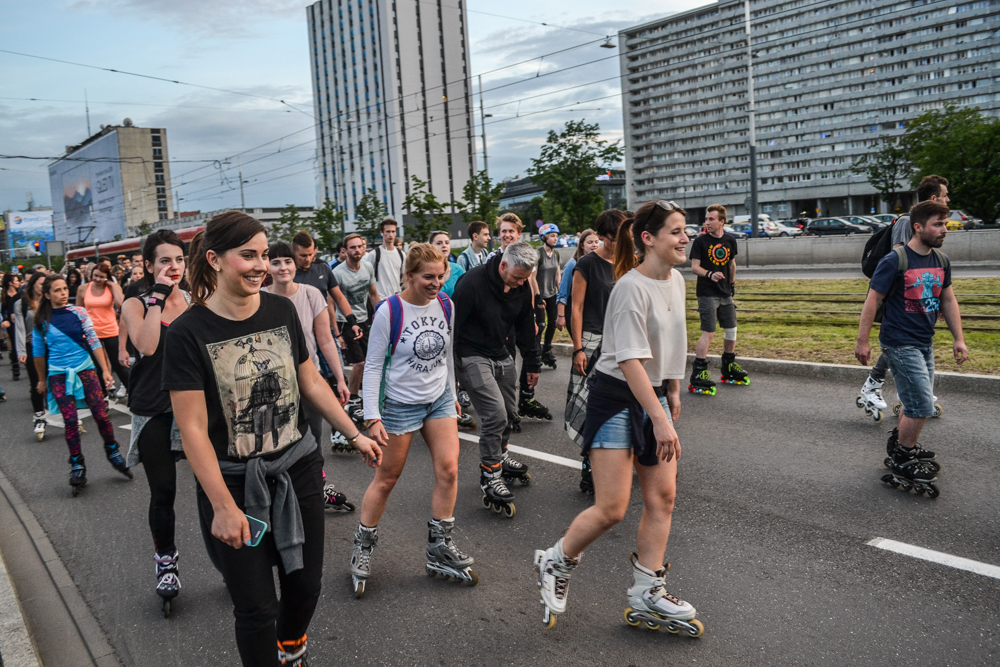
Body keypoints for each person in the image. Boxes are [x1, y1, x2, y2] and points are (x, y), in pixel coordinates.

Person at [163, 211, 381, 667]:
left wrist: (354, 433)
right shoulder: (188, 333)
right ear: (215, 259)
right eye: (248, 255)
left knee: (305, 587)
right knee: (257, 607)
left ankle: (291, 649)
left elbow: (311, 383)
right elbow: (193, 429)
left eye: (264, 254)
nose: (261, 265)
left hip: (298, 468)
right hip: (235, 484)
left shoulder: (280, 310)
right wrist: (223, 506)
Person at [533, 200, 703, 637]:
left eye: (687, 230)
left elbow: (673, 341)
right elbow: (628, 360)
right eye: (677, 231)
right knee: (611, 508)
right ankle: (557, 559)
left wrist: (673, 388)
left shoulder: (677, 283)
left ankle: (648, 590)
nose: (686, 238)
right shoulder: (630, 287)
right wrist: (660, 418)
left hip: (651, 395)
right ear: (648, 239)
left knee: (662, 497)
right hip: (614, 396)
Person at [348, 243, 475, 596]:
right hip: (400, 405)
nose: (436, 284)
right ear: (409, 275)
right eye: (427, 277)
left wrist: (451, 393)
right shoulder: (390, 310)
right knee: (387, 479)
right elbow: (373, 365)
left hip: (438, 401)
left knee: (449, 470)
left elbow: (447, 355)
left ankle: (439, 547)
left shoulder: (446, 306)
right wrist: (372, 415)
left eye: (440, 276)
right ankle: (363, 544)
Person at [855, 200, 967, 498]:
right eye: (937, 224)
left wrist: (959, 338)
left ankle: (900, 442)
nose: (944, 230)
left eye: (945, 224)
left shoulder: (941, 261)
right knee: (920, 404)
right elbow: (873, 300)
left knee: (915, 401)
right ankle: (902, 457)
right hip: (899, 342)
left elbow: (948, 301)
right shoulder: (896, 259)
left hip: (924, 342)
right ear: (917, 227)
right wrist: (862, 341)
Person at [119, 230, 191, 615]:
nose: (173, 267)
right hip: (153, 408)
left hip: (195, 408)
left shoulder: (197, 300)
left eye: (178, 260)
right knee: (164, 492)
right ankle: (166, 562)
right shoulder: (134, 302)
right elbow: (146, 346)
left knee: (218, 485)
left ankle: (231, 560)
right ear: (149, 266)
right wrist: (157, 299)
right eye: (165, 261)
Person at [263, 241, 354, 512]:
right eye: (276, 262)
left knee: (312, 439)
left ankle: (316, 487)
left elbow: (325, 339)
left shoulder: (312, 293)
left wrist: (339, 378)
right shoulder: (260, 296)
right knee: (277, 443)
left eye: (287, 261)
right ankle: (279, 491)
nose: (283, 267)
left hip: (309, 381)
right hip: (274, 386)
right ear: (268, 266)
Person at [452, 241, 540, 518]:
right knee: (495, 415)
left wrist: (532, 362)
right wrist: (452, 379)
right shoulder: (472, 283)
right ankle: (490, 473)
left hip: (500, 352)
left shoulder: (522, 287)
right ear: (503, 265)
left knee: (511, 414)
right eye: (516, 277)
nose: (519, 284)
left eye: (524, 279)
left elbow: (526, 325)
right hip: (471, 354)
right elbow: (452, 328)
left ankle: (500, 455)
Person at [859, 175, 951, 420]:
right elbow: (901, 260)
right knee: (898, 344)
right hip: (898, 296)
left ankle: (901, 393)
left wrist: (933, 296)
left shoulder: (926, 226)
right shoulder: (908, 222)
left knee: (903, 345)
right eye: (944, 195)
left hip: (916, 296)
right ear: (933, 199)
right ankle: (876, 386)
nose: (948, 199)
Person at [33, 275, 132, 495]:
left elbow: (94, 340)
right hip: (58, 375)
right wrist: (41, 379)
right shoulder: (41, 320)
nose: (61, 293)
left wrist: (106, 370)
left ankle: (113, 451)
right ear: (47, 295)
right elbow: (38, 353)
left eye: (64, 289)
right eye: (57, 290)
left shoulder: (79, 312)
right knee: (70, 421)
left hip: (86, 371)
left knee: (100, 415)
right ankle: (77, 465)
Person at [563, 212, 623, 494]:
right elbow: (575, 308)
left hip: (620, 341)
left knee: (617, 402)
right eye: (616, 236)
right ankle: (588, 464)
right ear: (604, 236)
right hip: (590, 340)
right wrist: (577, 349)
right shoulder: (585, 264)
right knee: (587, 404)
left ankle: (616, 460)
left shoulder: (628, 262)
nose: (621, 241)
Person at [689, 204, 749, 395]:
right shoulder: (700, 242)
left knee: (731, 328)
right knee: (709, 332)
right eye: (706, 219)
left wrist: (731, 286)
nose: (707, 222)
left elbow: (732, 264)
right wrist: (709, 274)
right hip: (707, 292)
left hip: (725, 293)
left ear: (721, 221)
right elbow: (694, 267)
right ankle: (699, 371)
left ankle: (729, 365)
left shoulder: (730, 241)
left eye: (711, 219)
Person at [428, 230, 475, 431]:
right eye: (439, 242)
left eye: (447, 242)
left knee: (453, 366)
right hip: (431, 326)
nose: (444, 246)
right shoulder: (427, 271)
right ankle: (433, 407)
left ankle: (452, 407)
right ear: (431, 246)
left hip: (456, 325)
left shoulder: (458, 270)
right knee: (436, 367)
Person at [334, 233, 381, 419]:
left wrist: (382, 315)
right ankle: (353, 400)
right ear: (345, 251)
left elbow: (373, 294)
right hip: (346, 322)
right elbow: (331, 303)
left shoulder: (368, 267)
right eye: (352, 247)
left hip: (364, 319)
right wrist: (337, 333)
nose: (357, 250)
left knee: (371, 362)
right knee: (359, 363)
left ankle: (367, 397)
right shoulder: (338, 273)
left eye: (360, 246)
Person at [80, 261, 130, 398]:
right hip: (91, 333)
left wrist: (113, 286)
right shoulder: (83, 289)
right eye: (95, 276)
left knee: (118, 365)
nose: (97, 279)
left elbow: (121, 305)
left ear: (107, 277)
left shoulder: (111, 287)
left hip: (110, 330)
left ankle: (133, 392)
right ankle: (103, 396)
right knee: (97, 367)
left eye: (101, 277)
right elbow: (79, 312)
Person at [14, 272, 47, 439]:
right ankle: (39, 416)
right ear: (33, 284)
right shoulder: (21, 304)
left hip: (51, 345)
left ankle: (69, 415)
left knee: (58, 380)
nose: (43, 287)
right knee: (37, 381)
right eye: (40, 283)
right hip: (31, 346)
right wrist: (21, 351)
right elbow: (19, 329)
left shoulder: (49, 301)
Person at [529, 223, 562, 370]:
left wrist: (561, 293)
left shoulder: (556, 254)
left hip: (552, 294)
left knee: (553, 322)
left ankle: (546, 350)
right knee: (540, 325)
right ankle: (535, 352)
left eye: (556, 236)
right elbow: (532, 277)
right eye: (552, 236)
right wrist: (537, 296)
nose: (555, 239)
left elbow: (557, 275)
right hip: (540, 294)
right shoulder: (538, 254)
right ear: (544, 237)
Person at [555, 228, 598, 333]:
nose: (594, 245)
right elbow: (563, 291)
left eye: (596, 242)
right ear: (582, 245)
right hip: (574, 309)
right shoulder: (573, 264)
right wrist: (561, 316)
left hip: (591, 311)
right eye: (590, 242)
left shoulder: (598, 263)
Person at [364, 219, 405, 299]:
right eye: (388, 231)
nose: (391, 235)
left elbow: (404, 278)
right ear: (381, 233)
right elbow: (366, 279)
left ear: (396, 233)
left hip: (397, 298)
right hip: (381, 299)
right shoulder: (374, 254)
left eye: (393, 231)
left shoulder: (401, 254)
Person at [1, 273, 22, 381]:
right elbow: (3, 310)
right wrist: (5, 320)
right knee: (14, 344)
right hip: (11, 323)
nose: (18, 282)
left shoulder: (21, 294)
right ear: (10, 283)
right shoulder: (4, 295)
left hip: (21, 321)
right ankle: (15, 367)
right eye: (16, 280)